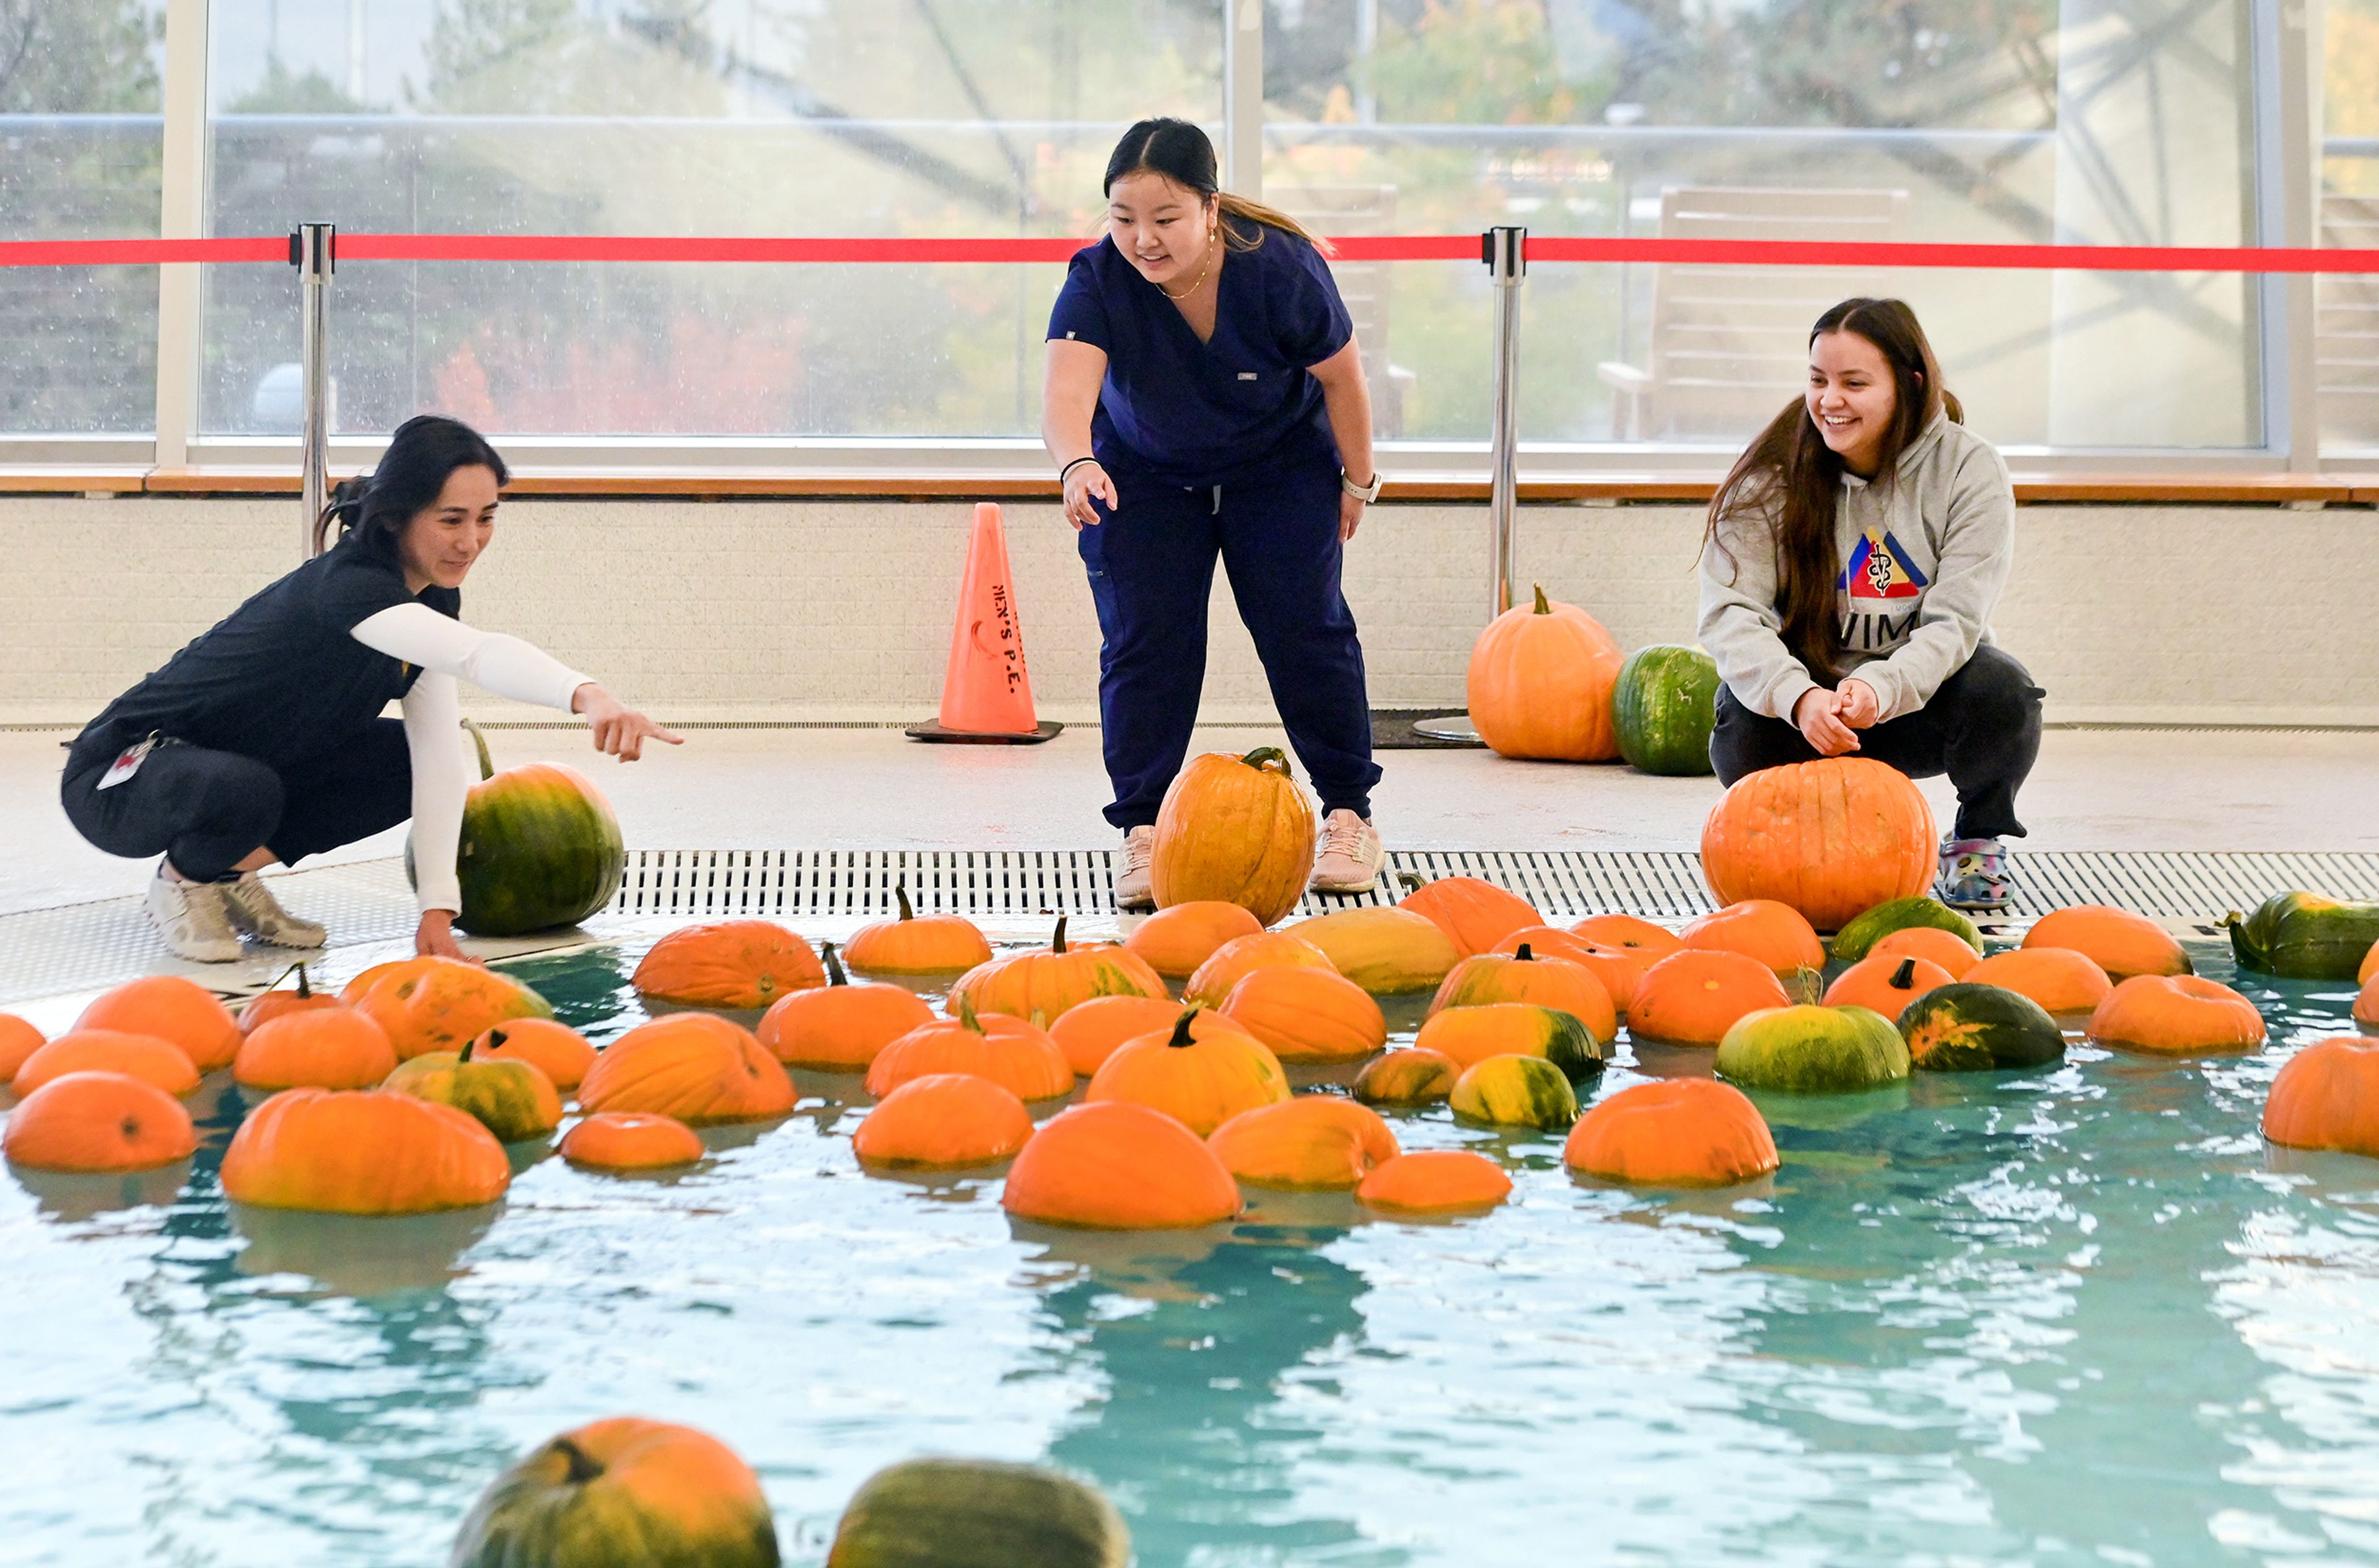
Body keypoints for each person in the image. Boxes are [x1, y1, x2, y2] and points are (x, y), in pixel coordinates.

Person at [61, 415, 679, 963]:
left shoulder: (432, 596)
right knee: (244, 789)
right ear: (398, 514)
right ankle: (183, 879)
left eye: (487, 518)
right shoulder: (348, 585)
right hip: (124, 776)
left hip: (243, 767)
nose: (471, 541)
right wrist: (588, 695)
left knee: (402, 760)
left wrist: (438, 906)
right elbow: (478, 654)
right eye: (451, 520)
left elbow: (435, 749)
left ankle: (223, 871)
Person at [1042, 117, 1387, 909]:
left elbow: (1344, 381)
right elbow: (1066, 394)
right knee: (1146, 639)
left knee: (1304, 627)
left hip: (1280, 464)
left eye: (1165, 220)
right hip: (1141, 472)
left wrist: (1357, 481)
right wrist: (1076, 462)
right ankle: (1141, 831)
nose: (1144, 240)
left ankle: (1347, 813)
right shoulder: (1098, 278)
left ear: (1210, 207)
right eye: (1124, 218)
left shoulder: (1280, 269)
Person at [1698, 297, 2044, 911]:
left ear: (1908, 385)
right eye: (1818, 380)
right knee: (1740, 715)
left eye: (1854, 383)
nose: (1830, 400)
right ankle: (1785, 849)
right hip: (1808, 709)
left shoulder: (1969, 470)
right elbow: (1731, 617)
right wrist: (1799, 697)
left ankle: (1977, 842)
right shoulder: (1772, 473)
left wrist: (1881, 688)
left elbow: (1956, 621)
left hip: (1910, 705)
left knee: (2004, 692)